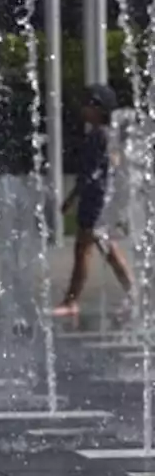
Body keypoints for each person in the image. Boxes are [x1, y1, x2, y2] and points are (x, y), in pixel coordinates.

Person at [52, 84, 134, 316]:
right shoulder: (108, 135)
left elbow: (89, 175)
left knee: (83, 251)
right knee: (109, 250)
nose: (83, 108)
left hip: (94, 202)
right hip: (101, 200)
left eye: (88, 103)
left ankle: (71, 301)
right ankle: (134, 294)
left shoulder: (99, 136)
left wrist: (71, 199)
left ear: (99, 108)